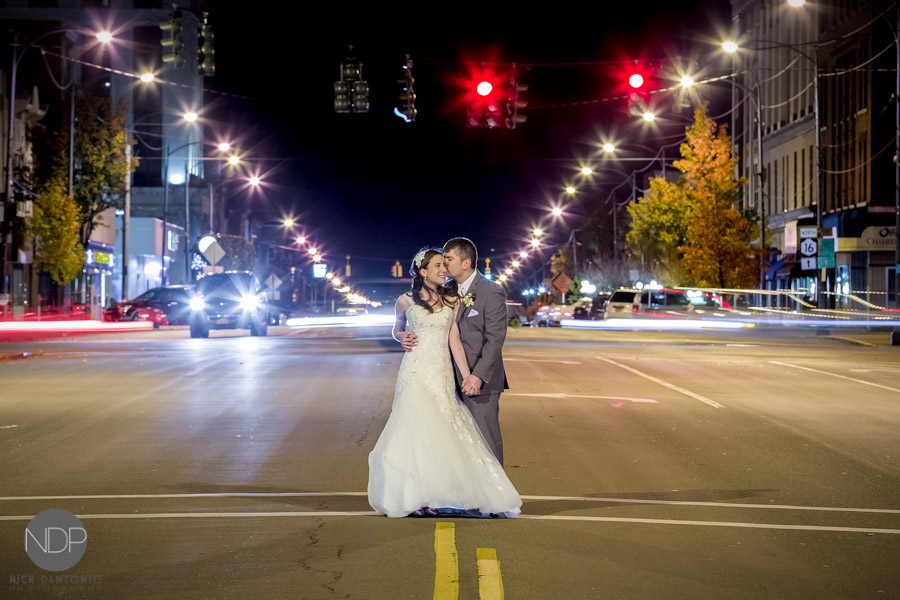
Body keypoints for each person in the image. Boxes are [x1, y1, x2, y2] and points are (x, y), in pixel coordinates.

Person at [367, 247, 521, 518]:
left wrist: (467, 376)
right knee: (414, 431)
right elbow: (396, 328)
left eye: (445, 263)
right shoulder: (404, 301)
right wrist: (400, 337)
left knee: (442, 432)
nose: (444, 269)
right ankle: (413, 496)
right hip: (415, 371)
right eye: (438, 265)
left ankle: (440, 494)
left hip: (440, 373)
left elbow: (455, 340)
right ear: (423, 271)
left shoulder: (451, 299)